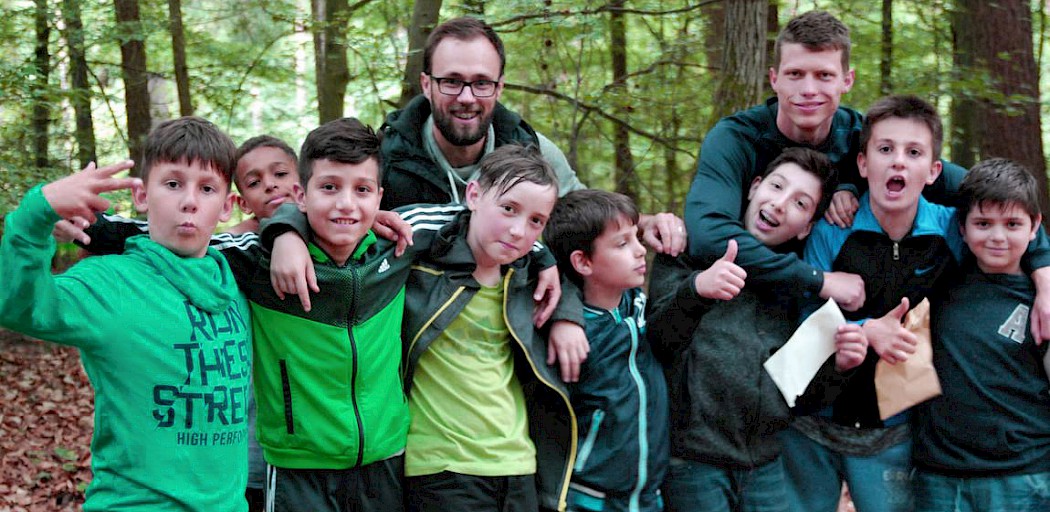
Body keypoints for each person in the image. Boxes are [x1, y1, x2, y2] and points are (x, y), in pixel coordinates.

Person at [782, 95, 1050, 512]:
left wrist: (1045, 272)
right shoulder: (831, 230)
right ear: (863, 163)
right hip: (813, 421)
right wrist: (866, 329)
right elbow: (804, 321)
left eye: (914, 152)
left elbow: (1009, 220)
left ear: (934, 171)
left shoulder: (955, 230)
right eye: (885, 150)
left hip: (896, 430)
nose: (898, 163)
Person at [382, 16, 687, 381]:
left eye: (481, 83)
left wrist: (644, 225)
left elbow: (582, 229)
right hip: (413, 361)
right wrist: (291, 233)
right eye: (451, 82)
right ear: (426, 84)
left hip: (513, 352)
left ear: (499, 88)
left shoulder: (534, 153)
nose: (466, 98)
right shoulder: (385, 159)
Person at [0, 117, 252, 511]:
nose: (189, 201)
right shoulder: (110, 283)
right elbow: (19, 307)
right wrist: (37, 214)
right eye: (172, 184)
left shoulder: (239, 287)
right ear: (141, 196)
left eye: (207, 188)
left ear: (227, 206)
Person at [683, 10, 970, 315]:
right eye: (795, 74)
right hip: (737, 295)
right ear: (774, 78)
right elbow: (709, 234)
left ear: (846, 80)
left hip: (830, 311)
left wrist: (1030, 262)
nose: (808, 90)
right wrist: (817, 279)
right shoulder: (736, 139)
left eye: (824, 75)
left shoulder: (873, 143)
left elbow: (984, 193)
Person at [647, 148, 866, 512]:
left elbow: (801, 394)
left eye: (800, 203)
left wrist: (840, 368)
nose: (780, 204)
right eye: (777, 187)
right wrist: (697, 290)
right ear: (754, 187)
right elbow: (657, 340)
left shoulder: (798, 283)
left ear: (808, 225)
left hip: (765, 463)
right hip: (692, 459)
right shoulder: (690, 250)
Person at [398, 144, 577, 512]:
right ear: (474, 194)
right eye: (508, 209)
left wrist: (566, 316)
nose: (517, 231)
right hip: (441, 465)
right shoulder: (426, 263)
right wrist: (286, 234)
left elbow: (577, 268)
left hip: (519, 466)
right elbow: (351, 223)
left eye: (535, 221)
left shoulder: (526, 281)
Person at [912, 158, 1050, 512]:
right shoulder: (939, 281)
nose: (998, 237)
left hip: (1022, 475)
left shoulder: (1043, 301)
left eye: (1013, 224)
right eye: (983, 223)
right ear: (962, 227)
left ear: (1035, 226)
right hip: (938, 475)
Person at [541, 189, 671, 512]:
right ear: (582, 261)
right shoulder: (571, 333)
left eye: (636, 238)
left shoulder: (638, 306)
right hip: (589, 498)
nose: (641, 251)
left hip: (648, 496)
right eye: (623, 243)